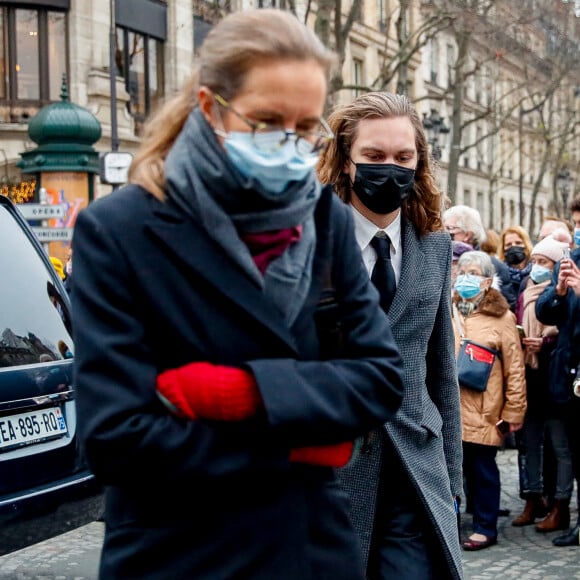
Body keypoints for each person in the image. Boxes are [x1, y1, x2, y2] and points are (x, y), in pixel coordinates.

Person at [71, 10, 405, 579]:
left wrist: (243, 394)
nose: (290, 143)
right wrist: (306, 443)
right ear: (210, 107)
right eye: (269, 121)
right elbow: (116, 439)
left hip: (308, 550)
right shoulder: (120, 230)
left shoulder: (322, 217)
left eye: (305, 128)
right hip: (177, 555)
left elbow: (379, 379)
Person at [318, 92, 463, 579]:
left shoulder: (434, 248)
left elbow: (440, 370)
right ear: (345, 162)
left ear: (419, 162)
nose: (390, 168)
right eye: (374, 157)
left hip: (416, 468)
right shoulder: (308, 244)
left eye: (403, 157)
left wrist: (453, 481)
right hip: (330, 471)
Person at [452, 250, 527, 550]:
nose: (465, 277)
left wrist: (514, 410)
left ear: (487, 281)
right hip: (450, 406)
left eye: (473, 272)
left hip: (485, 408)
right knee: (451, 469)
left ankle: (485, 526)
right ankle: (450, 523)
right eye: (462, 271)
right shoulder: (449, 309)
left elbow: (515, 367)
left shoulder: (502, 317)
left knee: (482, 468)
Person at [512, 236, 573, 531]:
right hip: (529, 376)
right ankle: (532, 497)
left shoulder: (563, 290)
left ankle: (559, 503)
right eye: (534, 261)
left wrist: (547, 341)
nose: (536, 267)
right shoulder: (525, 292)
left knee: (559, 446)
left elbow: (567, 329)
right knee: (529, 443)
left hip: (556, 375)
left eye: (544, 262)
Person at [536, 196, 580, 547]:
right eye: (577, 224)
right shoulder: (571, 261)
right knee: (571, 451)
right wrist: (562, 291)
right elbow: (545, 311)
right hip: (569, 374)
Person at [444, 205, 516, 310]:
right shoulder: (438, 261)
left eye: (450, 228)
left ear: (468, 235)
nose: (444, 233)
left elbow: (506, 307)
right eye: (443, 228)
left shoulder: (494, 265)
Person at [498, 225, 533, 300]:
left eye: (518, 243)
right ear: (503, 249)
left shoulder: (536, 273)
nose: (513, 247)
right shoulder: (499, 276)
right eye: (508, 244)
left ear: (526, 245)